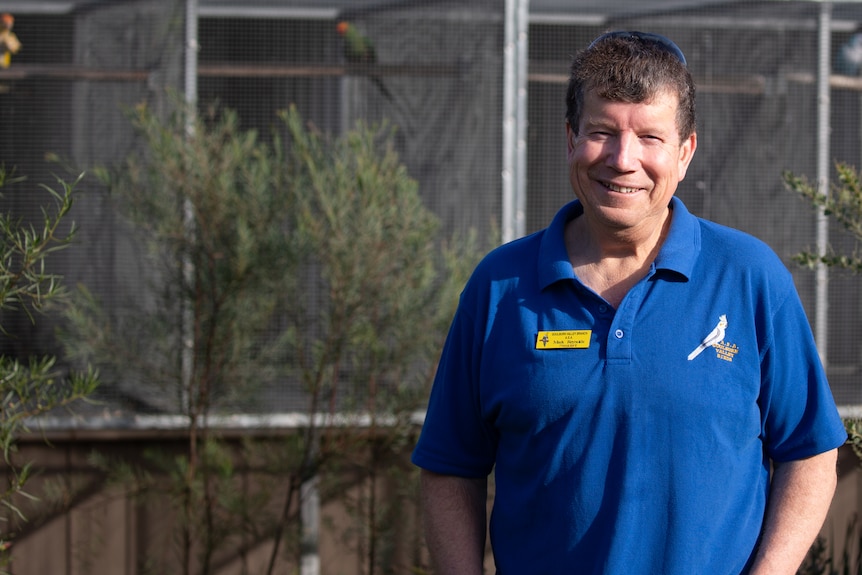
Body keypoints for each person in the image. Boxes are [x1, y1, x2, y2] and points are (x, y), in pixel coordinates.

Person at [411, 30, 847, 574]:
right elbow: (451, 467)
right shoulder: (499, 287)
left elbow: (809, 451)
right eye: (601, 132)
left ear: (685, 152)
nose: (623, 159)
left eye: (649, 137)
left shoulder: (749, 277)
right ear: (570, 139)